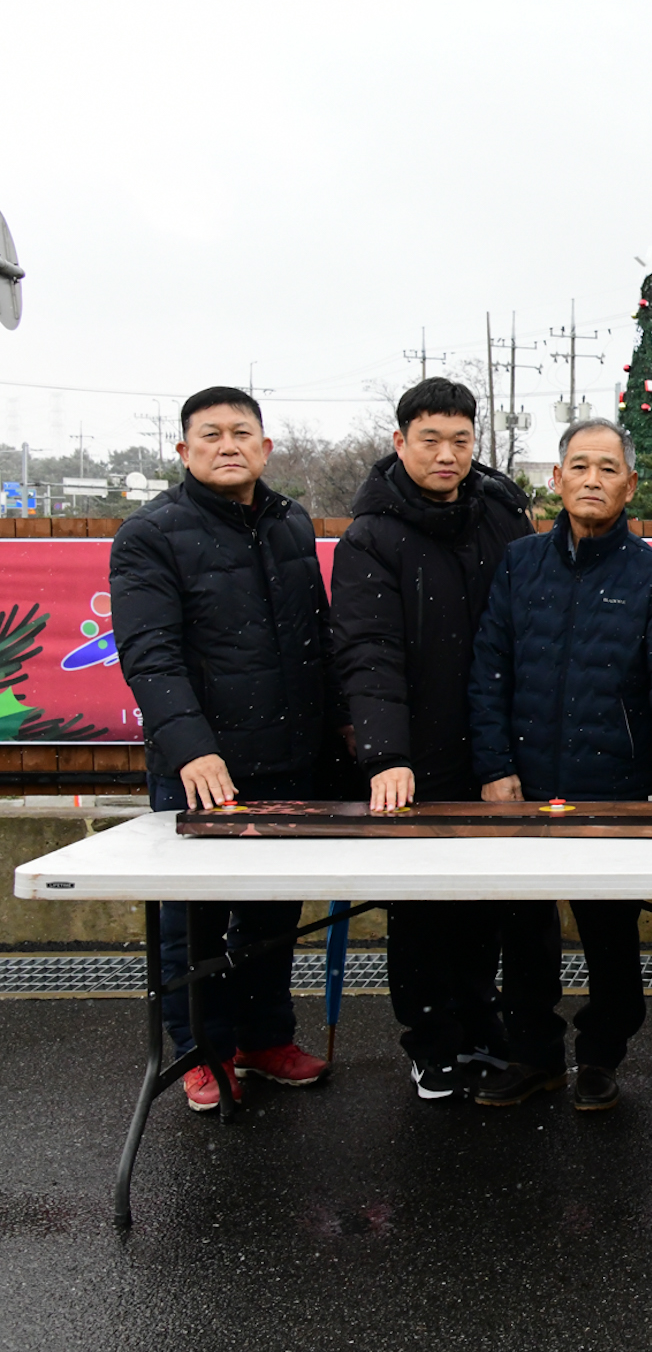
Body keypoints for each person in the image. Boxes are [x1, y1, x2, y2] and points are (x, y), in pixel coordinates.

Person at [467, 419, 652, 1110]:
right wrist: (494, 765)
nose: (591, 479)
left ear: (630, 484)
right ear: (555, 479)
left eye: (607, 468)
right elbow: (489, 671)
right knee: (522, 933)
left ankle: (603, 1056)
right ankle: (534, 1055)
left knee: (610, 933)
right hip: (522, 785)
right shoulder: (521, 564)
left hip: (612, 785)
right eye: (578, 466)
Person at [110, 385, 337, 1111]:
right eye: (210, 434)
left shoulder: (290, 522)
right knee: (194, 918)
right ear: (183, 451)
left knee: (273, 914)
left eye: (243, 432)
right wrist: (191, 749)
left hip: (291, 759)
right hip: (204, 769)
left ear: (266, 448)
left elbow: (312, 640)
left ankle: (267, 1037)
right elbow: (150, 652)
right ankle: (201, 1050)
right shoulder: (149, 534)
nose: (228, 444)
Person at [329, 377, 546, 1101]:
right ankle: (431, 1042)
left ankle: (485, 1024)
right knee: (421, 906)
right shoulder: (370, 535)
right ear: (400, 442)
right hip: (416, 756)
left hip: (492, 746)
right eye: (431, 439)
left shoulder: (501, 515)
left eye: (461, 439)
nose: (447, 454)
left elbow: (522, 634)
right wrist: (387, 755)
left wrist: (508, 749)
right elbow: (368, 650)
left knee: (489, 898)